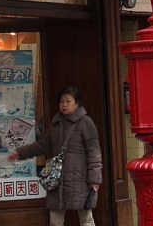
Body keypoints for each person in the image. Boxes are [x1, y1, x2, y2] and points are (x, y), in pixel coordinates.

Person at [7, 87, 102, 226]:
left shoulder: (86, 123)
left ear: (77, 104)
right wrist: (20, 152)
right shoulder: (56, 123)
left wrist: (95, 179)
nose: (64, 104)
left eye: (68, 101)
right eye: (61, 101)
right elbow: (43, 145)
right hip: (56, 180)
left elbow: (94, 153)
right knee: (55, 221)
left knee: (86, 220)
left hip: (80, 180)